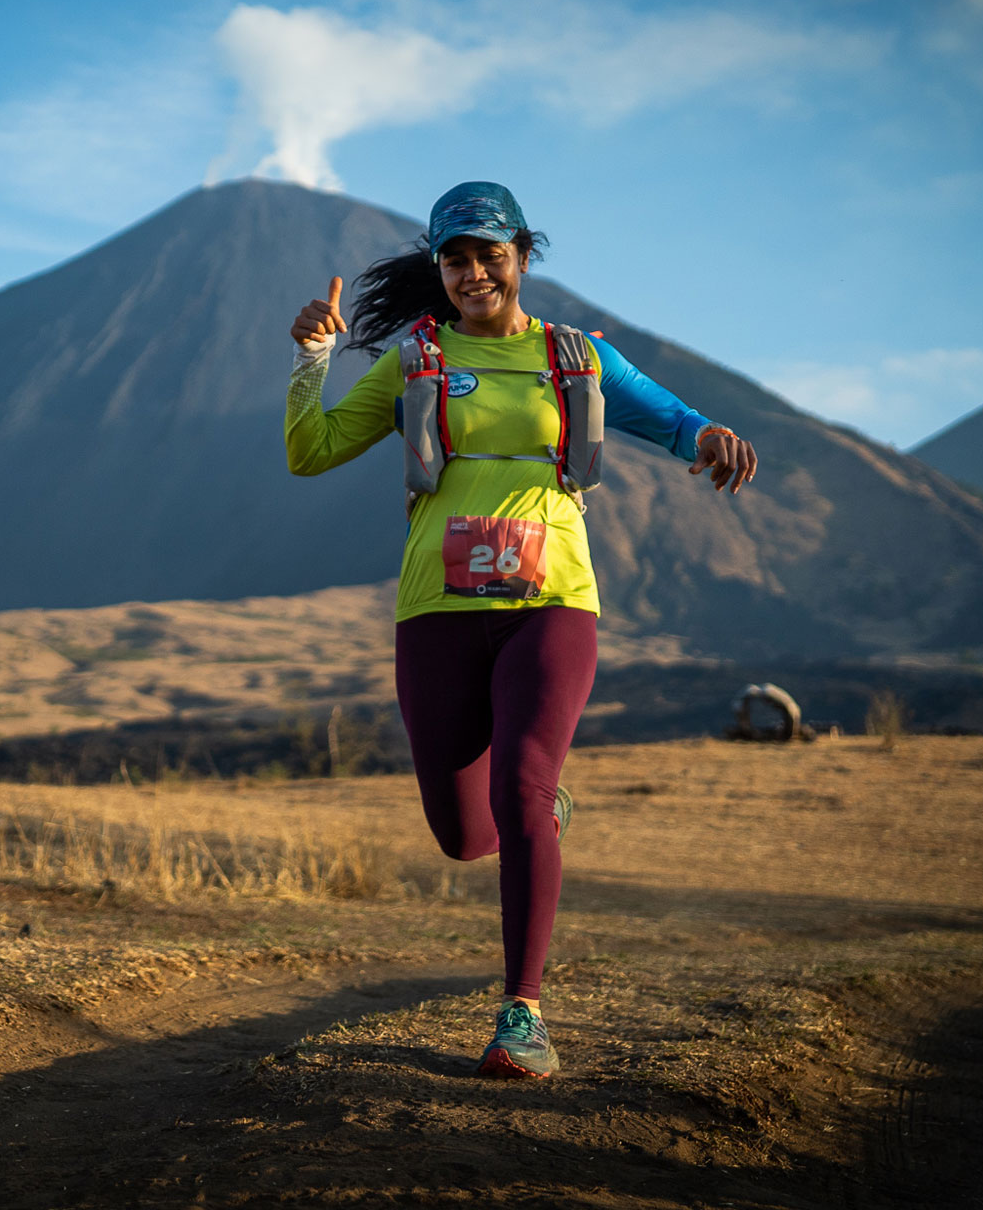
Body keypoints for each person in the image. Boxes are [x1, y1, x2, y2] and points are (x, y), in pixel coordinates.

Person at [283, 181, 757, 1079]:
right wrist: (313, 359)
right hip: (437, 611)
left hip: (554, 605)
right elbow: (310, 453)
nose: (471, 273)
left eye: (488, 254)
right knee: (463, 834)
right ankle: (531, 813)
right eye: (453, 259)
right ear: (439, 267)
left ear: (522, 257)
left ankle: (522, 1015)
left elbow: (673, 418)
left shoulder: (574, 356)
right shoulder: (414, 359)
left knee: (523, 785)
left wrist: (711, 437)